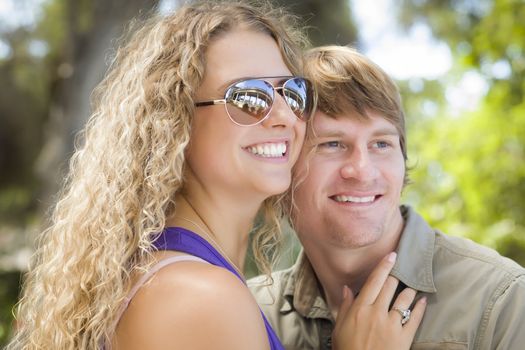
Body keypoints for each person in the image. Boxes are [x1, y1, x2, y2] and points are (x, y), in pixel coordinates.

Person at [7, 2, 424, 349]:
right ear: (174, 123)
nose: (284, 116)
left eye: (292, 92)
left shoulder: (171, 271)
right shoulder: (201, 298)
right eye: (248, 97)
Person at [249, 45, 525, 350]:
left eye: (381, 144)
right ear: (281, 162)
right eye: (332, 144)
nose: (362, 171)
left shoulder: (502, 301)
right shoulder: (250, 314)